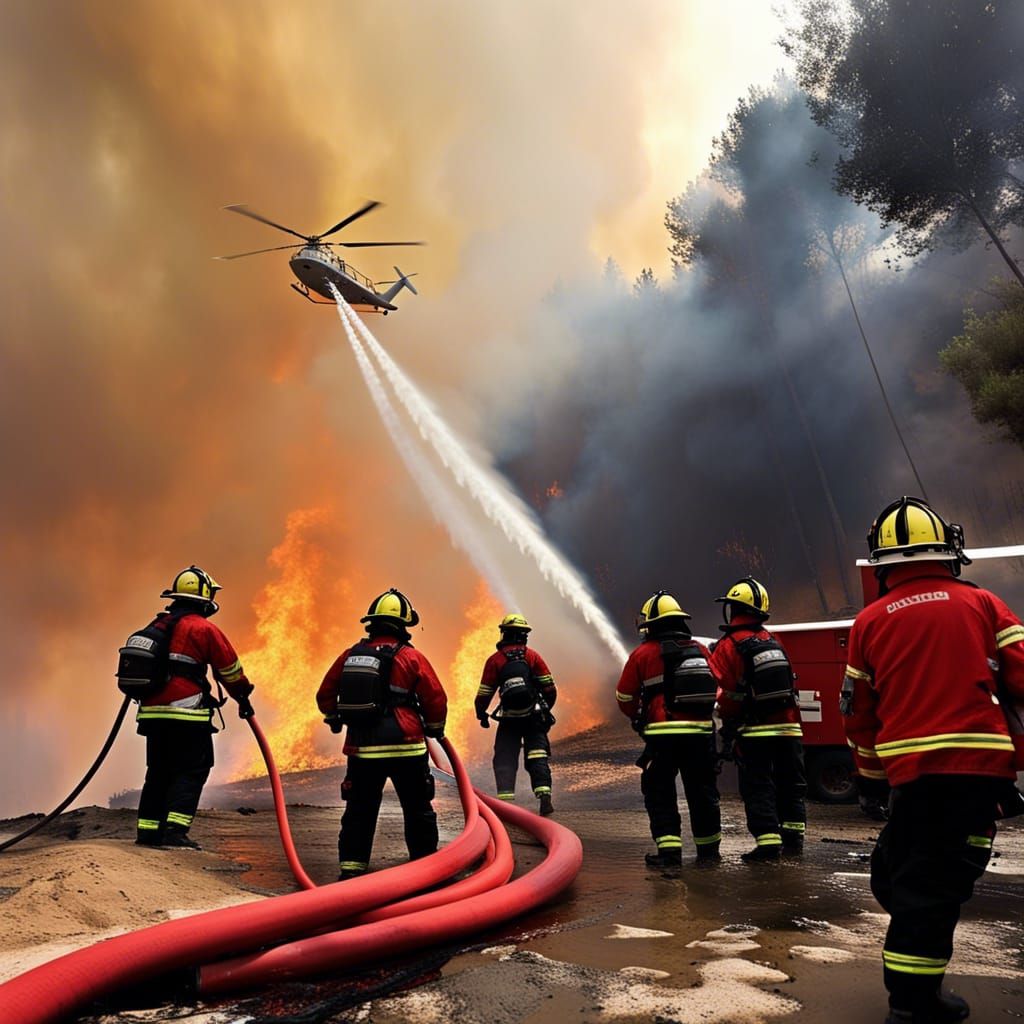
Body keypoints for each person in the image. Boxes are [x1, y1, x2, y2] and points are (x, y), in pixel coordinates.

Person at [842, 496, 1024, 1024]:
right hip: (977, 775)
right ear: (947, 551)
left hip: (913, 780)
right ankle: (913, 1005)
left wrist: (872, 781)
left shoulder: (869, 622)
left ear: (882, 565)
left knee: (915, 880)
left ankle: (913, 994)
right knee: (930, 885)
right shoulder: (986, 605)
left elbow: (858, 716)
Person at [316, 588, 447, 880]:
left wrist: (334, 718)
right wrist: (435, 727)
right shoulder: (411, 657)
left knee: (359, 810)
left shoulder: (350, 655)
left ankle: (351, 869)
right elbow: (435, 697)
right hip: (407, 747)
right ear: (404, 626)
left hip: (363, 749)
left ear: (371, 623)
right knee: (417, 809)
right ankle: (425, 867)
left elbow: (325, 694)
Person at [135, 566, 255, 850]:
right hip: (187, 714)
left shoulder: (156, 626)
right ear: (204, 596)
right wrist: (243, 697)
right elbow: (230, 671)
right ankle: (175, 832)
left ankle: (148, 832)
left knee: (158, 771)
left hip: (152, 715)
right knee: (193, 769)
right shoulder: (203, 629)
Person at [615, 592, 721, 868]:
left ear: (652, 624)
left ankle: (669, 854)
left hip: (663, 734)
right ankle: (709, 853)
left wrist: (640, 716)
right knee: (703, 793)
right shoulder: (700, 648)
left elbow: (624, 698)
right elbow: (718, 685)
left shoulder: (642, 654)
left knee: (660, 792)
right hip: (701, 733)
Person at [708, 576, 806, 862]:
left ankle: (767, 844)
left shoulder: (728, 646)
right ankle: (794, 839)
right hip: (789, 728)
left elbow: (725, 692)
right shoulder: (773, 639)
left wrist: (727, 717)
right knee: (791, 785)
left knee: (758, 785)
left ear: (734, 609)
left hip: (755, 731)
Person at [474, 613, 557, 815]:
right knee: (537, 755)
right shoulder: (533, 657)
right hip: (533, 718)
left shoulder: (495, 660)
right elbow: (549, 688)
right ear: (524, 636)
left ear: (504, 634)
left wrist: (481, 714)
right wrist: (546, 709)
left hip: (509, 719)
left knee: (504, 758)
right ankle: (544, 794)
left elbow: (484, 693)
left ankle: (506, 803)